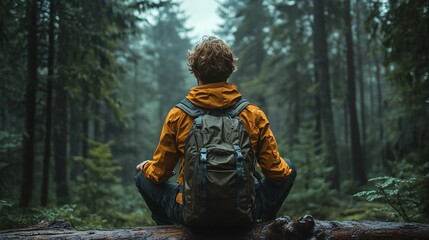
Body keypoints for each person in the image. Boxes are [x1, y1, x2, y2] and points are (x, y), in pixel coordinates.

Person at [135, 36, 296, 225]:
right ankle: (264, 225)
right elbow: (276, 173)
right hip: (244, 212)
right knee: (289, 168)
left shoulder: (178, 115)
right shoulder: (253, 115)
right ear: (230, 70)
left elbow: (159, 174)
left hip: (190, 214)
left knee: (141, 177)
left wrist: (145, 166)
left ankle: (169, 231)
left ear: (196, 73)